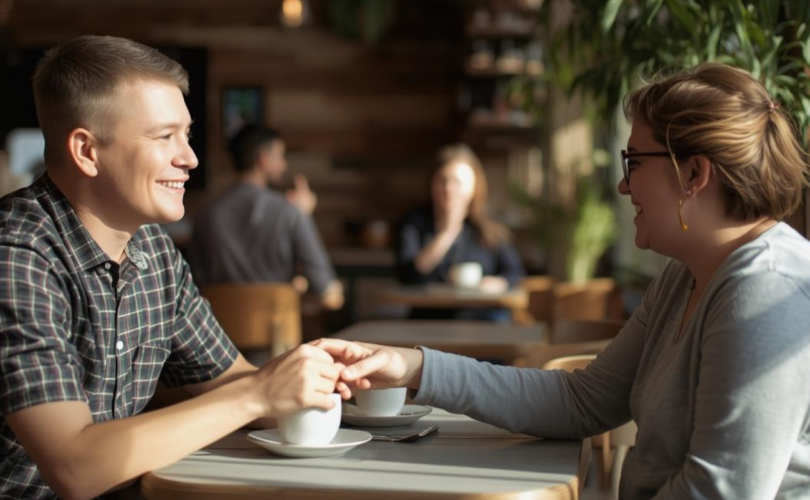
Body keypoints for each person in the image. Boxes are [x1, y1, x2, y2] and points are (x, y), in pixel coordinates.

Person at [318, 63, 810, 499]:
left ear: (694, 174)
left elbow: (723, 492)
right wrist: (413, 367)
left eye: (634, 162)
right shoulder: (684, 276)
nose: (622, 184)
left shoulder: (767, 289)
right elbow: (581, 401)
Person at [0, 36, 347, 500]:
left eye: (186, 134)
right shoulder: (16, 253)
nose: (190, 158)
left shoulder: (153, 251)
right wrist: (258, 395)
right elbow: (74, 467)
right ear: (87, 151)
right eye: (165, 137)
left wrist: (334, 377)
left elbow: (236, 381)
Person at [188, 124, 343, 310]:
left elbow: (195, 286)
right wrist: (304, 216)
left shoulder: (206, 215)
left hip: (214, 333)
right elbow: (329, 296)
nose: (284, 164)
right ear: (263, 160)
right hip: (278, 335)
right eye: (280, 156)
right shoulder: (290, 213)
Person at [396, 144, 525, 321]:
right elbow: (408, 275)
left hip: (482, 317)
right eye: (442, 180)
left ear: (474, 186)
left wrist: (497, 283)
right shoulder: (415, 222)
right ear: (431, 183)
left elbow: (515, 272)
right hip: (429, 318)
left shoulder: (488, 227)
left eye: (458, 182)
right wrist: (447, 233)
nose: (449, 189)